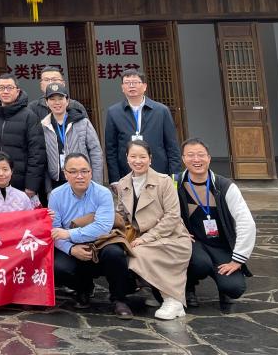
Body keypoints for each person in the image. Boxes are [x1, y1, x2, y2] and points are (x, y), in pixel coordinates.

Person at [114, 140, 192, 320]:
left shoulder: (164, 181)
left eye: (142, 157)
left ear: (150, 159)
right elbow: (121, 215)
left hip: (169, 235)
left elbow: (173, 216)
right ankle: (164, 297)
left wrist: (147, 237)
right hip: (138, 236)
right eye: (133, 156)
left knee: (138, 254)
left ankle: (172, 299)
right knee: (121, 253)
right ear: (127, 158)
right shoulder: (123, 183)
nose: (138, 161)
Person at [49, 152, 133, 318]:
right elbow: (55, 231)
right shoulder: (56, 195)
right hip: (72, 244)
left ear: (91, 172)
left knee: (115, 254)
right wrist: (71, 249)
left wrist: (69, 234)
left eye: (84, 171)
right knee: (59, 267)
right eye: (73, 171)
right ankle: (83, 289)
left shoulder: (103, 193)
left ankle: (119, 299)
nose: (79, 176)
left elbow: (103, 227)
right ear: (65, 174)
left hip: (101, 242)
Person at [177, 138, 256, 313]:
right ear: (183, 159)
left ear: (209, 158)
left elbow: (246, 222)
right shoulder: (175, 183)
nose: (196, 159)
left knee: (234, 288)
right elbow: (162, 212)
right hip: (192, 243)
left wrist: (238, 259)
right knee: (199, 264)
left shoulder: (224, 186)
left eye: (201, 155)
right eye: (190, 155)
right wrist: (177, 230)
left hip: (220, 244)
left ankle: (223, 286)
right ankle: (188, 287)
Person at [105, 69, 181, 182]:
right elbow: (111, 150)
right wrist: (115, 180)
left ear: (144, 86)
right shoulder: (114, 112)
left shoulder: (161, 111)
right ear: (122, 88)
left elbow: (172, 147)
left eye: (135, 82)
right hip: (127, 174)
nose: (131, 86)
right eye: (127, 83)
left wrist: (175, 179)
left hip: (159, 173)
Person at [0, 73, 45, 202]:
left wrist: (31, 185)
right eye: (1, 88)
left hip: (21, 185)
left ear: (17, 91)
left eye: (9, 87)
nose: (5, 91)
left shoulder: (29, 116)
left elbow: (37, 153)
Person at [41, 82, 104, 191]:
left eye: (60, 98)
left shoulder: (82, 122)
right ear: (46, 102)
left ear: (67, 101)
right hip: (57, 182)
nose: (57, 103)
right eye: (52, 99)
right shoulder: (44, 126)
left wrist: (97, 183)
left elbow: (96, 152)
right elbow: (43, 160)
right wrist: (48, 189)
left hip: (81, 179)